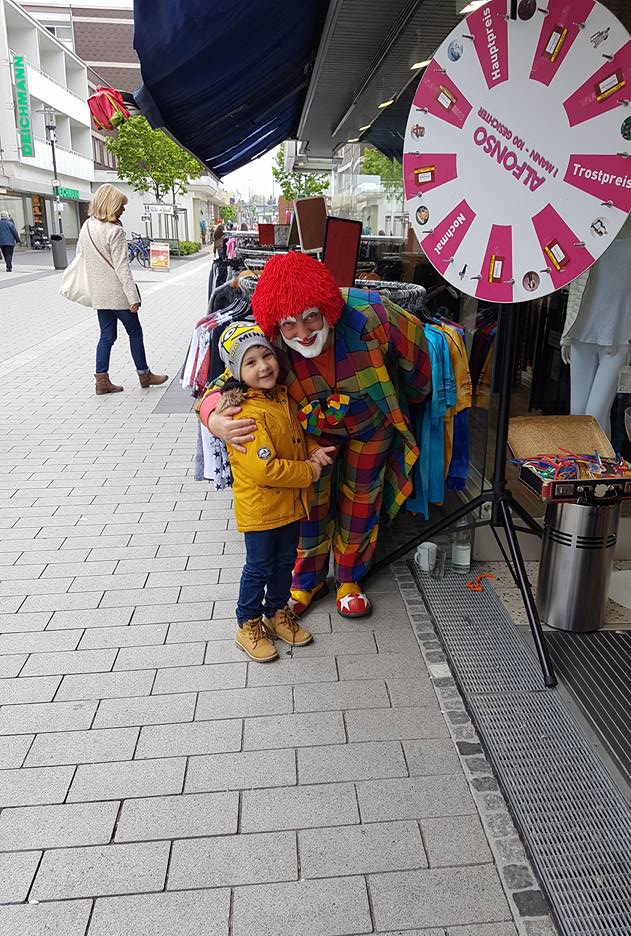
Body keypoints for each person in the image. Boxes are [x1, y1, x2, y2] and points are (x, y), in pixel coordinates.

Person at [198, 252, 431, 619]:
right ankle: (307, 581)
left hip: (372, 424)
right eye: (290, 324)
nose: (303, 333)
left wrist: (416, 399)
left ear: (327, 308)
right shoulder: (270, 342)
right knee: (310, 502)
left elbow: (417, 356)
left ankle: (350, 578)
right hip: (311, 433)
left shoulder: (374, 313)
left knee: (362, 498)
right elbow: (221, 385)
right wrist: (214, 418)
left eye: (311, 317)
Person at [214, 321, 335, 661]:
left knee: (285, 563)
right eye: (250, 362)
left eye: (266, 356)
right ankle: (248, 624)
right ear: (237, 371)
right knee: (259, 568)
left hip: (290, 505)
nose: (263, 366)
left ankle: (277, 612)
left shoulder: (281, 397)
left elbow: (296, 436)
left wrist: (312, 449)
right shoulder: (243, 413)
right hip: (262, 510)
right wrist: (309, 471)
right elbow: (264, 469)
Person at [79, 184, 168, 395]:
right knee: (135, 332)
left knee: (106, 336)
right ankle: (144, 375)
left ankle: (101, 381)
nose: (123, 209)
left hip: (99, 294)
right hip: (118, 294)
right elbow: (122, 267)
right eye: (121, 205)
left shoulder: (87, 226)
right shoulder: (115, 231)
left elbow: (81, 256)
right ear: (111, 205)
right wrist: (132, 297)